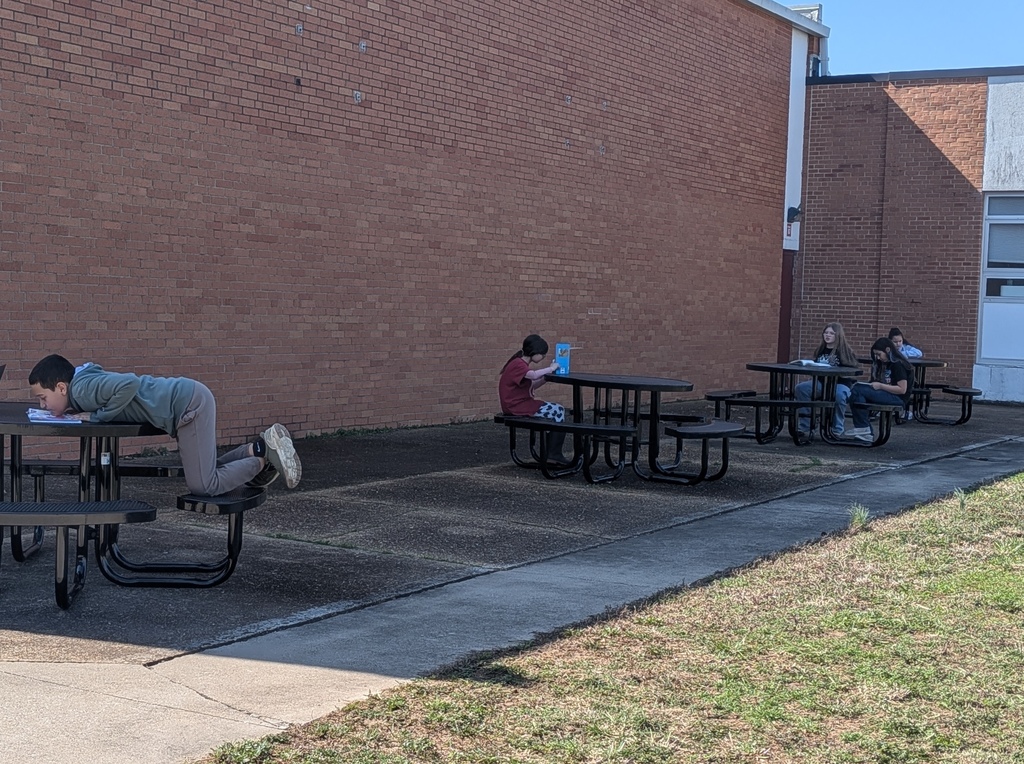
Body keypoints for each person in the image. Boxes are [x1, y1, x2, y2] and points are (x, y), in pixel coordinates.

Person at [28, 354, 301, 495]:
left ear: (61, 387)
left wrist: (98, 416)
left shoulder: (84, 390)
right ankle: (256, 449)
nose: (43, 405)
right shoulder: (82, 387)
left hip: (188, 406)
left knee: (204, 487)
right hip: (188, 400)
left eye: (43, 398)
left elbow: (129, 383)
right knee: (207, 471)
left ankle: (264, 459)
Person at [498, 334, 569, 464]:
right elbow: (533, 375)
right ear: (534, 353)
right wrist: (550, 368)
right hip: (516, 406)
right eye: (542, 354)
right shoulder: (519, 365)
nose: (543, 357)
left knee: (556, 410)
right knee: (558, 411)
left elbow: (533, 384)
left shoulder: (518, 363)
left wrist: (546, 377)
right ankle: (553, 453)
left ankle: (551, 452)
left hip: (518, 403)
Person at [794, 322, 860, 437]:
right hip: (821, 382)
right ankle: (805, 426)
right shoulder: (821, 349)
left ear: (838, 335)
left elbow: (851, 370)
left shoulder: (845, 351)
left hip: (840, 383)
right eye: (826, 333)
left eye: (831, 333)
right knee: (801, 389)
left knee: (839, 396)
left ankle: (836, 429)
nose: (827, 335)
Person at [844, 338, 914, 442]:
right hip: (887, 394)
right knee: (857, 390)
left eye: (879, 354)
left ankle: (863, 427)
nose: (878, 358)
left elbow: (902, 389)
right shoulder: (885, 363)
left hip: (898, 398)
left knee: (858, 390)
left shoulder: (898, 364)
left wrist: (880, 386)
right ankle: (864, 431)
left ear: (888, 350)